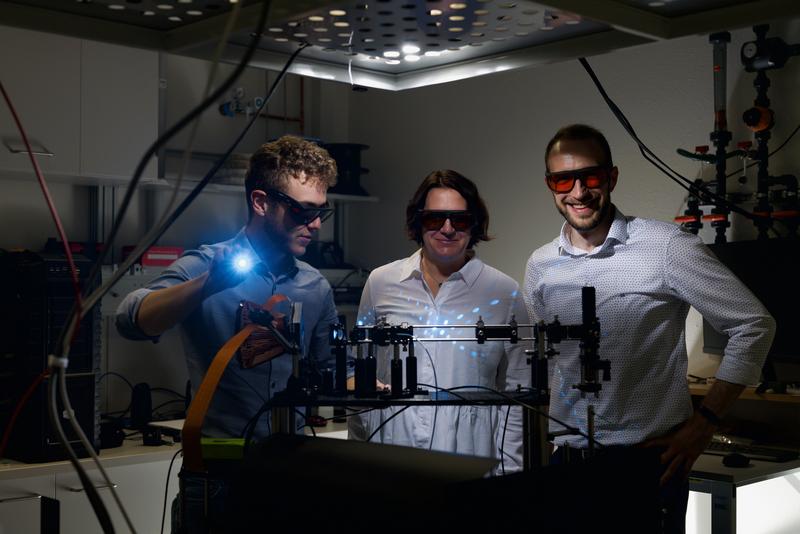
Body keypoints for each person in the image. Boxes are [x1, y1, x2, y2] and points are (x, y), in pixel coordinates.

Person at [523, 124, 775, 531]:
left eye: (591, 176)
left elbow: (754, 325)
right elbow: (546, 363)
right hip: (565, 463)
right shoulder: (540, 265)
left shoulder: (667, 247)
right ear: (550, 185)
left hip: (645, 464)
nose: (579, 191)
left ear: (612, 177)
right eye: (563, 179)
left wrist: (703, 424)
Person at [115, 135, 340, 531]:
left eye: (322, 212)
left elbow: (330, 370)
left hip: (293, 473)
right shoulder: (207, 265)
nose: (315, 225)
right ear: (260, 202)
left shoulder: (315, 287)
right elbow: (130, 318)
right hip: (219, 476)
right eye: (302, 212)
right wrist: (207, 285)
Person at [348, 169, 530, 474]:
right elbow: (359, 373)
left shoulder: (503, 291)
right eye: (435, 218)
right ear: (419, 222)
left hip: (473, 459)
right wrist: (361, 454)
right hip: (391, 458)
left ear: (474, 224)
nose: (447, 229)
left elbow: (520, 387)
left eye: (459, 220)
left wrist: (508, 470)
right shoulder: (381, 283)